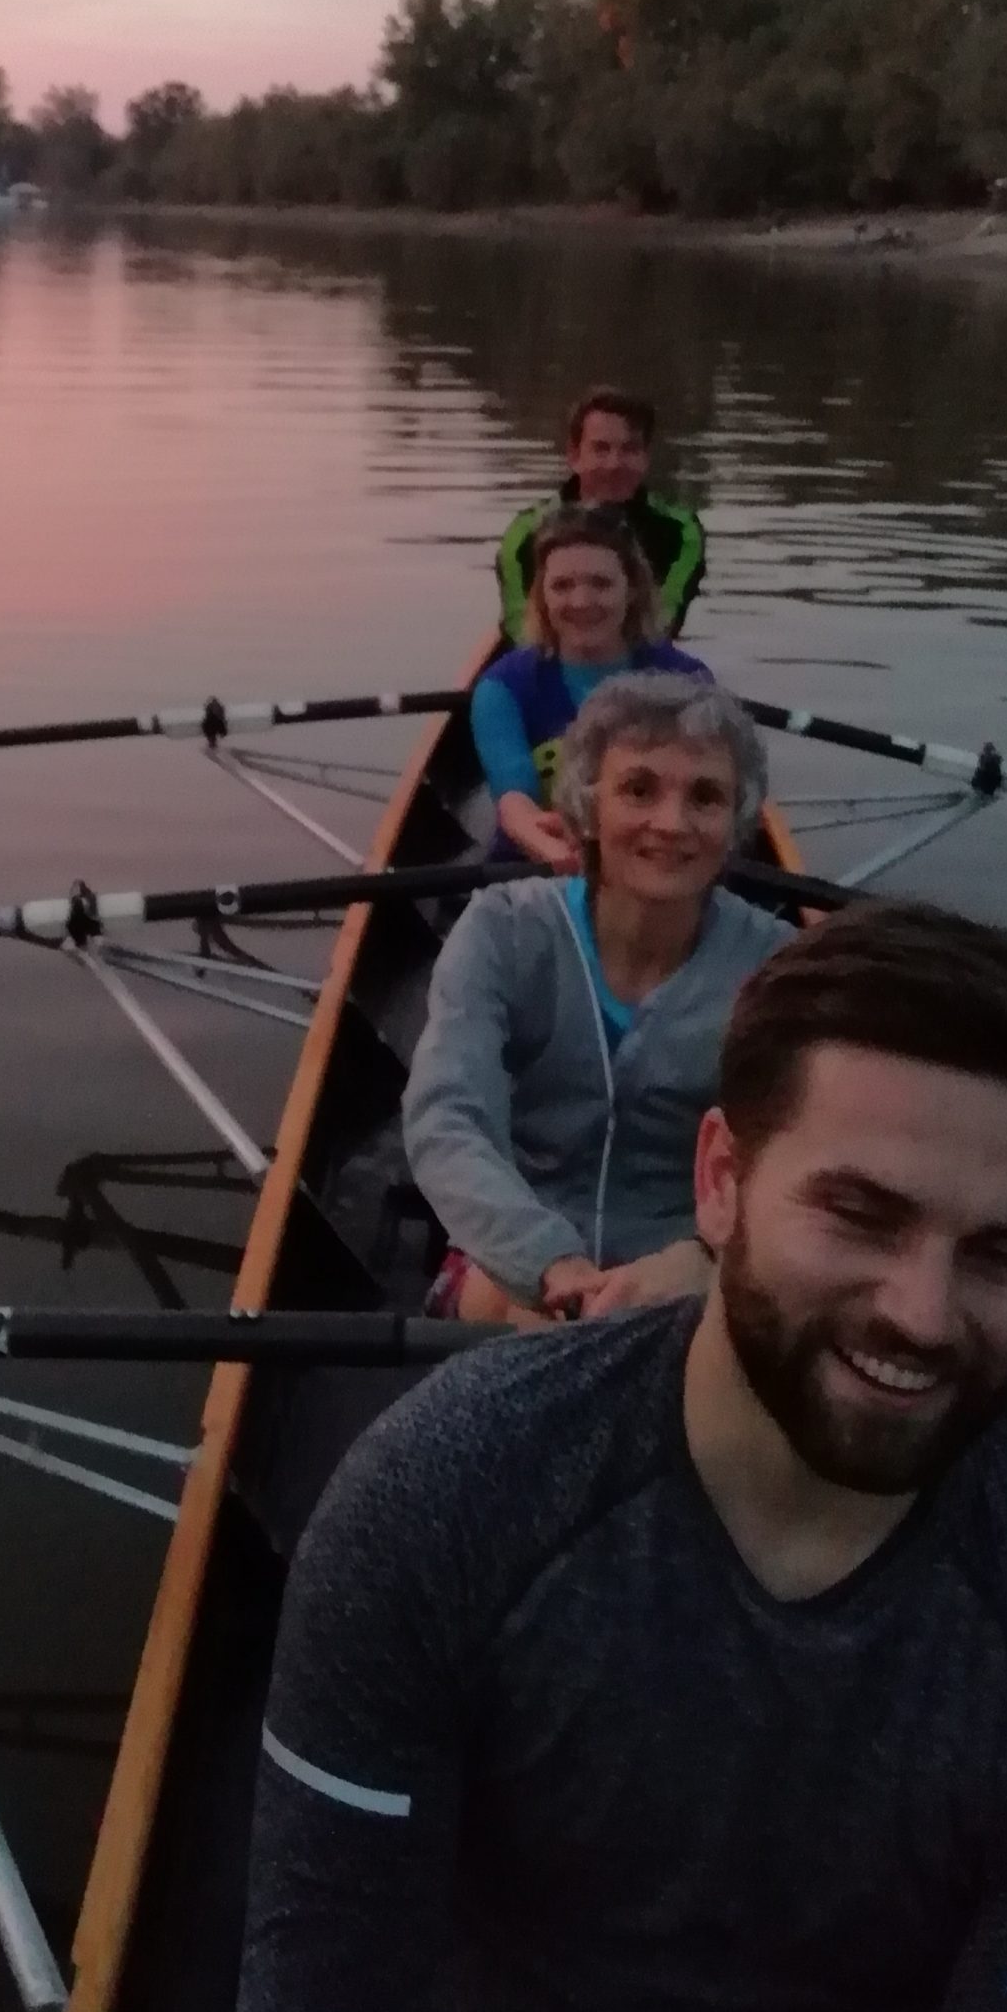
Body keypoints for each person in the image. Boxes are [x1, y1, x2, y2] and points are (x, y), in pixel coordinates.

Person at [235, 900, 1007, 2012]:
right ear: (717, 1181)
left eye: (1003, 1254)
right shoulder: (444, 1497)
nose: (921, 1315)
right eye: (861, 1214)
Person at [409, 672, 789, 1324]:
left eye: (704, 797)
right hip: (515, 1251)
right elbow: (449, 1121)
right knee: (525, 1318)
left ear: (734, 823)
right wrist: (552, 1264)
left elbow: (801, 1153)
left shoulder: (776, 967)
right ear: (589, 806)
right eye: (638, 790)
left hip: (691, 1261)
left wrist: (702, 1254)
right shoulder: (503, 928)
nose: (671, 824)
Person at [473, 504, 711, 870]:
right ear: (542, 596)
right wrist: (561, 854)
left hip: (658, 863)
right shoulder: (502, 688)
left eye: (600, 584)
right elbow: (515, 803)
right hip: (536, 867)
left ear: (631, 590)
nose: (581, 602)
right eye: (562, 586)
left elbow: (704, 797)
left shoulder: (688, 683)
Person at [496, 383, 706, 643]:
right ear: (574, 456)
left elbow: (661, 624)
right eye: (601, 449)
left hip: (635, 662)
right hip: (539, 660)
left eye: (630, 450)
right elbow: (521, 629)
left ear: (646, 457)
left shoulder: (681, 531)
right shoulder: (525, 531)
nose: (615, 464)